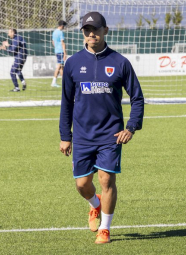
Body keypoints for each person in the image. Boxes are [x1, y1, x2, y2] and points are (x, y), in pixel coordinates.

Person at [59, 12, 144, 244]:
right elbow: (66, 102)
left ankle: (105, 229)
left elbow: (137, 98)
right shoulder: (73, 63)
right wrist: (65, 136)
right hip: (83, 136)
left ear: (106, 30)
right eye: (87, 30)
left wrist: (131, 127)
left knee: (107, 180)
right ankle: (94, 204)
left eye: (95, 29)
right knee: (82, 184)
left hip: (111, 134)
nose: (91, 34)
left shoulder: (120, 62)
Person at [51, 20, 68, 87]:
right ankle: (53, 82)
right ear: (62, 26)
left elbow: (53, 41)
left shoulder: (54, 32)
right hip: (60, 51)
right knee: (59, 66)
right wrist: (65, 52)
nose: (64, 27)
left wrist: (56, 47)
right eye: (64, 26)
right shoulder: (60, 33)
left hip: (57, 51)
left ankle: (64, 82)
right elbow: (62, 43)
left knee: (61, 67)